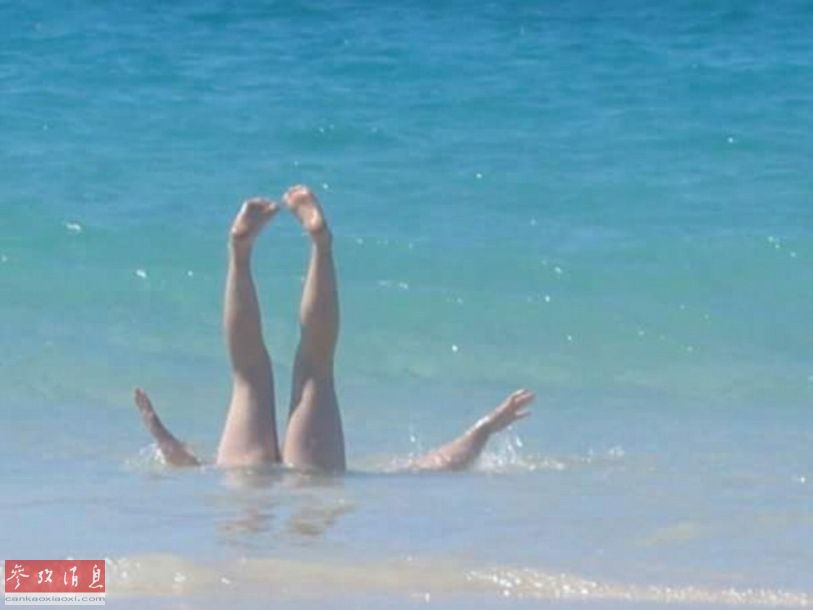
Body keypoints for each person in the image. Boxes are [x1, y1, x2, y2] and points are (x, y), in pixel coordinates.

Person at [133, 185, 534, 472]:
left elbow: (432, 467)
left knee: (277, 374)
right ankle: (302, 247)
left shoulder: (248, 561)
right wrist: (484, 429)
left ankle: (255, 252)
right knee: (282, 373)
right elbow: (431, 467)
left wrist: (161, 434)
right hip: (281, 483)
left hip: (256, 484)